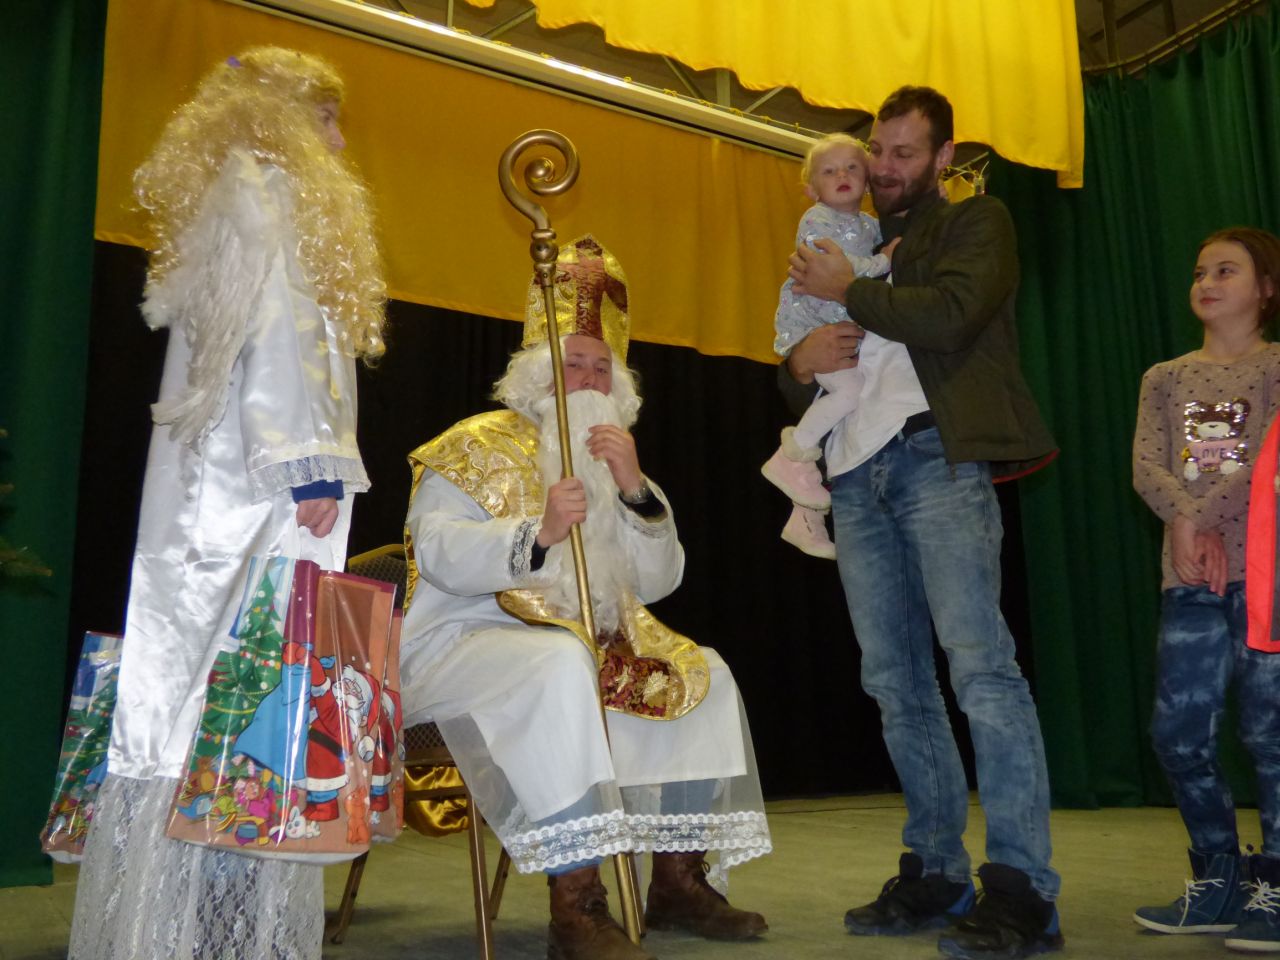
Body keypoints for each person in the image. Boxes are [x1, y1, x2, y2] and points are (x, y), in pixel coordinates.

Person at [68, 47, 386, 960]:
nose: (337, 140)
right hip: (256, 493)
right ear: (279, 117)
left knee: (195, 685)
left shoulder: (229, 193)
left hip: (215, 487)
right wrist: (312, 465)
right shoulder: (269, 189)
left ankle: (184, 918)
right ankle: (218, 923)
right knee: (246, 680)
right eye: (324, 117)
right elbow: (283, 334)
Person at [399, 236, 771, 960]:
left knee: (704, 670)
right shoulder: (473, 444)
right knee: (559, 665)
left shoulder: (611, 464)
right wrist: (535, 534)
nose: (590, 378)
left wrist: (635, 491)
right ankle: (575, 910)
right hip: (460, 645)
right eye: (575, 363)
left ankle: (677, 882)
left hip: (580, 651)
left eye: (603, 367)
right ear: (540, 373)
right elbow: (435, 552)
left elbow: (660, 581)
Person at [786, 85, 1062, 959]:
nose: (884, 167)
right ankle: (936, 871)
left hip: (937, 457)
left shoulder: (977, 222)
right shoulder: (846, 237)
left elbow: (950, 316)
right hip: (854, 472)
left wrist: (851, 288)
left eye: (905, 153)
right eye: (878, 149)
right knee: (894, 683)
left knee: (981, 669)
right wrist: (797, 361)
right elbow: (803, 364)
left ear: (944, 157)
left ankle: (1021, 890)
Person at [1131, 227, 1280, 952]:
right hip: (1189, 575)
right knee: (1179, 733)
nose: (1207, 282)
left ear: (1266, 290)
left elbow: (1269, 462)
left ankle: (1275, 886)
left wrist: (1201, 518)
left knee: (1269, 732)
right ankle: (1219, 878)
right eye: (1199, 272)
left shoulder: (1276, 367)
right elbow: (1146, 466)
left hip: (1267, 578)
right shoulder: (1165, 377)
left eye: (1226, 270)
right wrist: (1189, 526)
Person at [762, 133, 901, 560]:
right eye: (829, 170)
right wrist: (883, 261)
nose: (842, 174)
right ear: (811, 188)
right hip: (814, 321)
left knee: (838, 410)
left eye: (852, 167)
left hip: (840, 323)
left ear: (867, 180)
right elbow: (836, 265)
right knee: (849, 393)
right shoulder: (816, 219)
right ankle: (791, 456)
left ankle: (804, 518)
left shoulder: (870, 225)